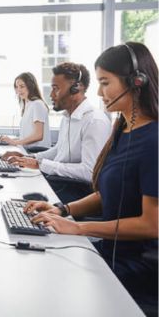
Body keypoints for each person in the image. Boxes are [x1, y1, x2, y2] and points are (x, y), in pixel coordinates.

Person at [26, 42, 157, 310]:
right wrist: (62, 209)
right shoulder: (123, 129)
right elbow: (107, 193)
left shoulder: (154, 140)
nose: (99, 92)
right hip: (113, 251)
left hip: (138, 269)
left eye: (105, 83)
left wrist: (78, 227)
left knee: (46, 285)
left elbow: (151, 224)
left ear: (137, 81)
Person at [2, 62, 112, 202]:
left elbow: (90, 172)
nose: (51, 95)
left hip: (76, 193)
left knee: (19, 194)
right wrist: (31, 158)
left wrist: (42, 165)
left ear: (75, 88)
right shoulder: (68, 118)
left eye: (56, 89)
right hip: (60, 182)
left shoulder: (94, 121)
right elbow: (59, 150)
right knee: (14, 188)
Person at [0, 72, 51, 148]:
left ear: (31, 86)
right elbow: (26, 137)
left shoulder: (37, 104)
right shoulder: (28, 105)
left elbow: (38, 135)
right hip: (29, 151)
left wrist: (14, 142)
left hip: (37, 152)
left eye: (22, 86)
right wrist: (9, 140)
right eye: (16, 87)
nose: (18, 90)